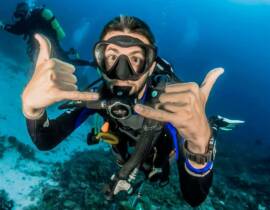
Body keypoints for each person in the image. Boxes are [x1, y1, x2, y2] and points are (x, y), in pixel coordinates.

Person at [21, 16, 243, 207]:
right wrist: (32, 110)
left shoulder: (169, 108)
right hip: (127, 156)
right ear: (99, 62)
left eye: (136, 59)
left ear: (150, 66)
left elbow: (194, 198)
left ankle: (211, 125)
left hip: (161, 157)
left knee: (192, 139)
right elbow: (46, 140)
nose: (122, 72)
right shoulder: (96, 98)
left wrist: (199, 145)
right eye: (112, 57)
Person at [0, 2, 92, 67]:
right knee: (61, 60)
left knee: (65, 61)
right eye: (18, 16)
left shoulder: (32, 19)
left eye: (21, 15)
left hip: (50, 43)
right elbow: (19, 28)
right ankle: (79, 58)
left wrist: (4, 26)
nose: (20, 18)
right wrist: (4, 26)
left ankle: (89, 63)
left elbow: (18, 30)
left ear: (25, 11)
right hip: (49, 43)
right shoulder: (32, 18)